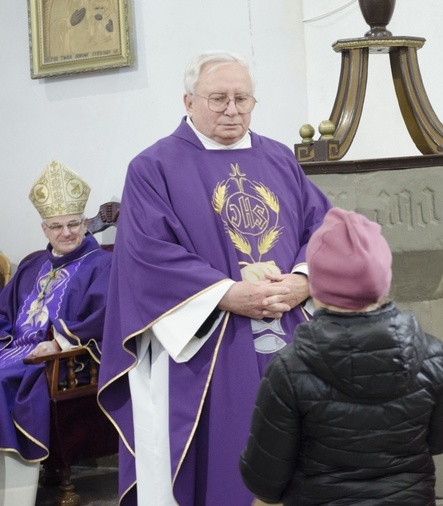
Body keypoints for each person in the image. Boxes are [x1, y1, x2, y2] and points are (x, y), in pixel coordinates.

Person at [97, 50, 333, 505]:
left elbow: (322, 228)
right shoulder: (154, 167)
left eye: (242, 99)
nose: (232, 110)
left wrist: (304, 279)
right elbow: (148, 256)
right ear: (188, 102)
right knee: (225, 464)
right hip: (207, 345)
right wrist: (228, 294)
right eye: (218, 98)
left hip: (291, 331)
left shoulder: (279, 157)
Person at [239, 208, 443, 505]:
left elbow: (264, 478)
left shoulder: (289, 369)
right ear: (383, 283)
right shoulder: (431, 354)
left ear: (315, 288)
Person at [0, 160, 112, 506]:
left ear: (84, 222)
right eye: (57, 226)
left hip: (60, 362)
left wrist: (57, 342)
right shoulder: (33, 264)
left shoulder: (103, 263)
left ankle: (14, 495)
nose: (67, 233)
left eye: (74, 224)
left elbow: (105, 315)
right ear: (44, 229)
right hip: (16, 353)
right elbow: (5, 312)